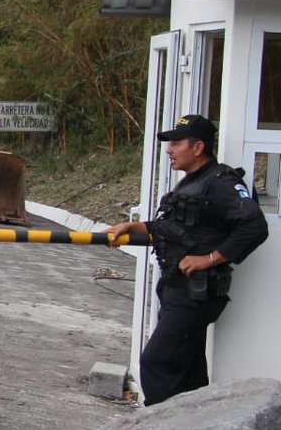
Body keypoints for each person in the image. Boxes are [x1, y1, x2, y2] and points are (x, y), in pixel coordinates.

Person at [108, 114, 268, 406]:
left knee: (158, 363)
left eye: (176, 143)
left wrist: (209, 258)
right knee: (189, 376)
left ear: (198, 147)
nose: (169, 150)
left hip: (195, 294)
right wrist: (138, 227)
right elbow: (179, 228)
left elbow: (254, 226)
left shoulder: (220, 181)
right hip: (176, 290)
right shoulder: (191, 183)